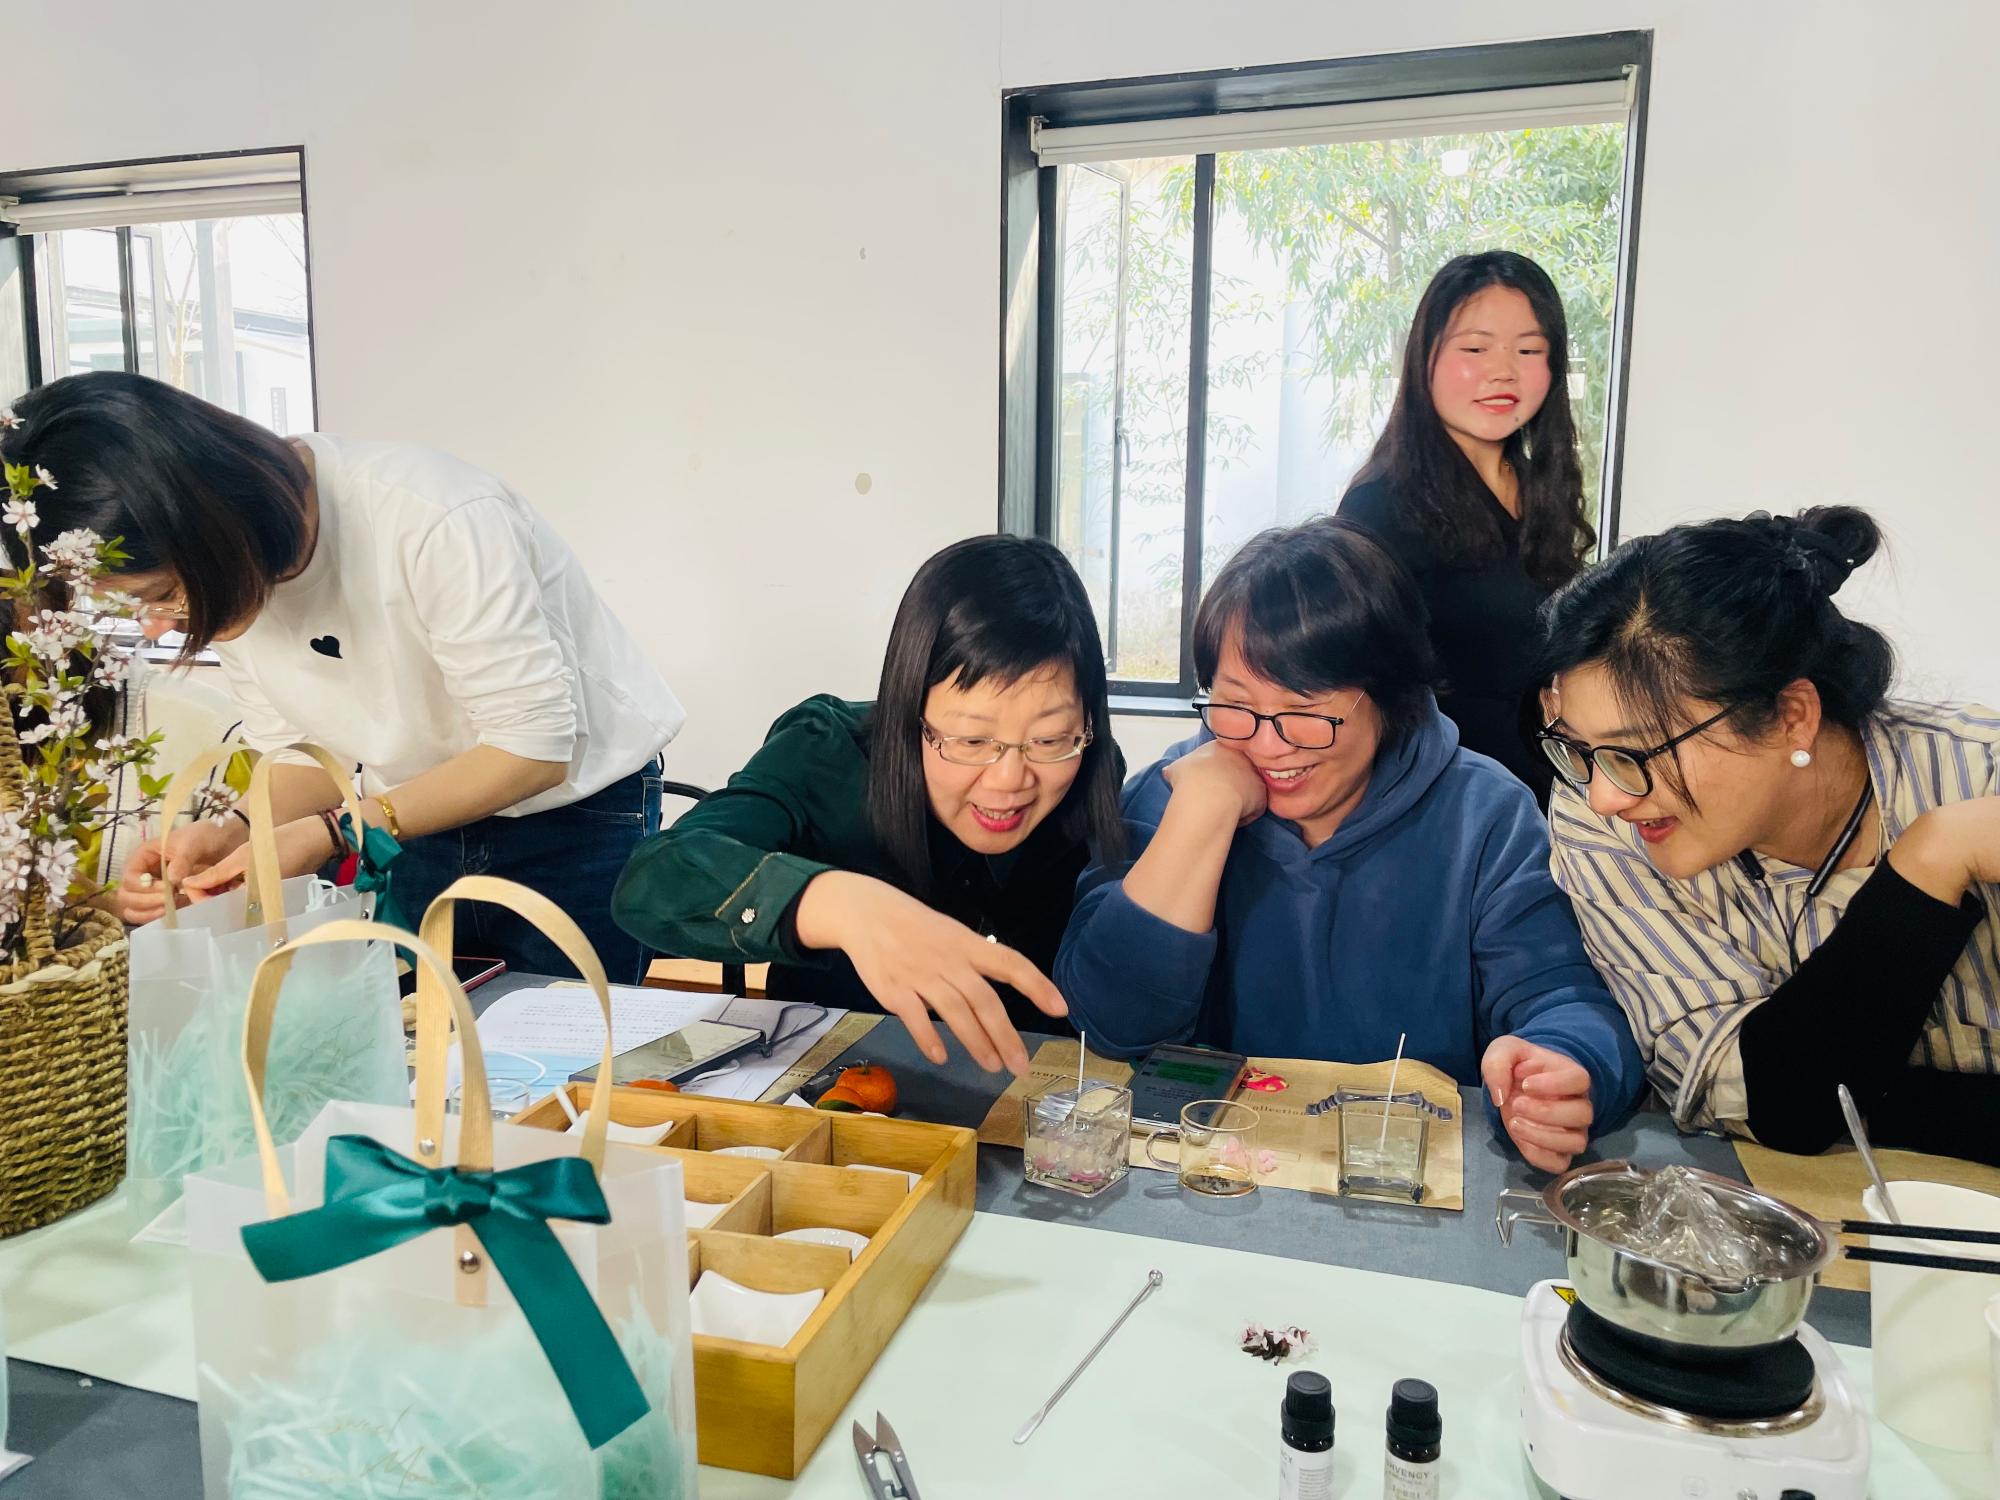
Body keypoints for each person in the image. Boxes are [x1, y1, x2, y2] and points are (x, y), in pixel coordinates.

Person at [0, 371, 685, 983]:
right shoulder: (234, 568)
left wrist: (335, 833)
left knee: (568, 1051)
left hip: (572, 816)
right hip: (408, 818)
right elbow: (304, 755)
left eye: (163, 595)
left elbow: (531, 750)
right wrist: (236, 829)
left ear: (207, 524)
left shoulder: (432, 515)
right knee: (422, 1045)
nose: (158, 628)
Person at [1054, 518, 1644, 1173]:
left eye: (1306, 712)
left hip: (1401, 1180)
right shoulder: (1171, 793)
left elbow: (1562, 998)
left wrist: (1566, 1064)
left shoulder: (1483, 815)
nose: (1269, 745)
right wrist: (1199, 819)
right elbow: (1109, 1023)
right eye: (1235, 704)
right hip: (1206, 1176)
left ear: (1390, 697)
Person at [1539, 505, 2000, 1162]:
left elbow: (1804, 1092)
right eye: (1579, 748)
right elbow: (1761, 1098)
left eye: (1636, 752)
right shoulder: (1599, 817)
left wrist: (1853, 1087)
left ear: (1792, 716)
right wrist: (1929, 864)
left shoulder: (1980, 779)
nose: (1606, 795)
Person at [612, 535, 1125, 1075]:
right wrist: (836, 904)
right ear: (910, 708)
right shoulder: (826, 752)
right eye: (972, 740)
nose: (1009, 781)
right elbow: (654, 877)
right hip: (829, 1092)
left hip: (1030, 1098)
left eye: (1049, 739)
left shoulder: (1090, 770)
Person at [1338, 251, 1595, 804]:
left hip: (1547, 793)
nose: (1503, 370)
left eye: (1528, 350)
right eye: (1476, 349)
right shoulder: (1378, 506)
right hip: (1446, 804)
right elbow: (1353, 689)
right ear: (1424, 359)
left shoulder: (1540, 488)